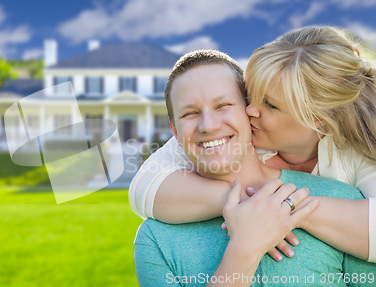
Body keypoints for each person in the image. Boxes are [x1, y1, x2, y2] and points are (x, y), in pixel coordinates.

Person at [130, 26, 376, 262]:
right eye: (251, 94)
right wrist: (241, 201)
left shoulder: (357, 151)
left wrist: (282, 207)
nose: (249, 109)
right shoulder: (240, 133)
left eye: (270, 104)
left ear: (318, 122)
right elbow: (145, 186)